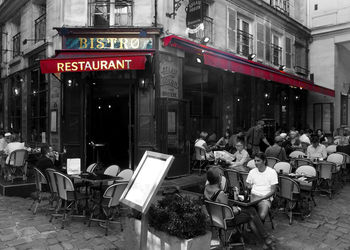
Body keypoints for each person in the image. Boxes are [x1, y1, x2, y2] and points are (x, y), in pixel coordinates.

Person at [204, 167, 275, 249]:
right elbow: (229, 214)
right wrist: (238, 210)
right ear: (219, 177)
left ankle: (262, 240)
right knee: (251, 213)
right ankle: (265, 239)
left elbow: (219, 206)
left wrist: (232, 207)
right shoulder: (220, 194)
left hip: (215, 218)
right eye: (221, 175)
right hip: (226, 221)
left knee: (251, 212)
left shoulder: (206, 188)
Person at [246, 152, 278, 221]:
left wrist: (263, 197)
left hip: (265, 198)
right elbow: (248, 184)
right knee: (245, 214)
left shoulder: (272, 172)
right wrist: (249, 186)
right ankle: (257, 229)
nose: (256, 163)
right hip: (253, 197)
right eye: (255, 161)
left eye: (258, 161)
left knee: (262, 216)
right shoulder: (252, 171)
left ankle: (255, 227)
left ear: (264, 161)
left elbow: (273, 190)